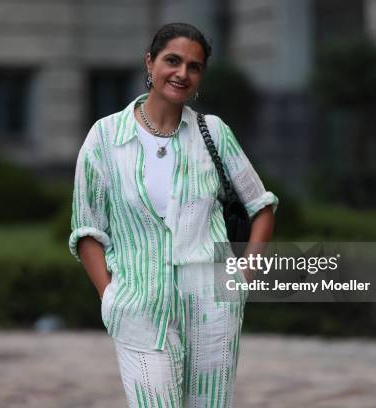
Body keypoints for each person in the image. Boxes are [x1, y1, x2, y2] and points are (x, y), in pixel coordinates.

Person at [70, 22, 278, 408]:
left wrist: (243, 277)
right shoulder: (105, 138)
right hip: (139, 309)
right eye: (173, 60)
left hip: (213, 311)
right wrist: (109, 294)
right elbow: (86, 229)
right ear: (150, 63)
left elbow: (261, 205)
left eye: (194, 67)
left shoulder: (212, 133)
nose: (182, 73)